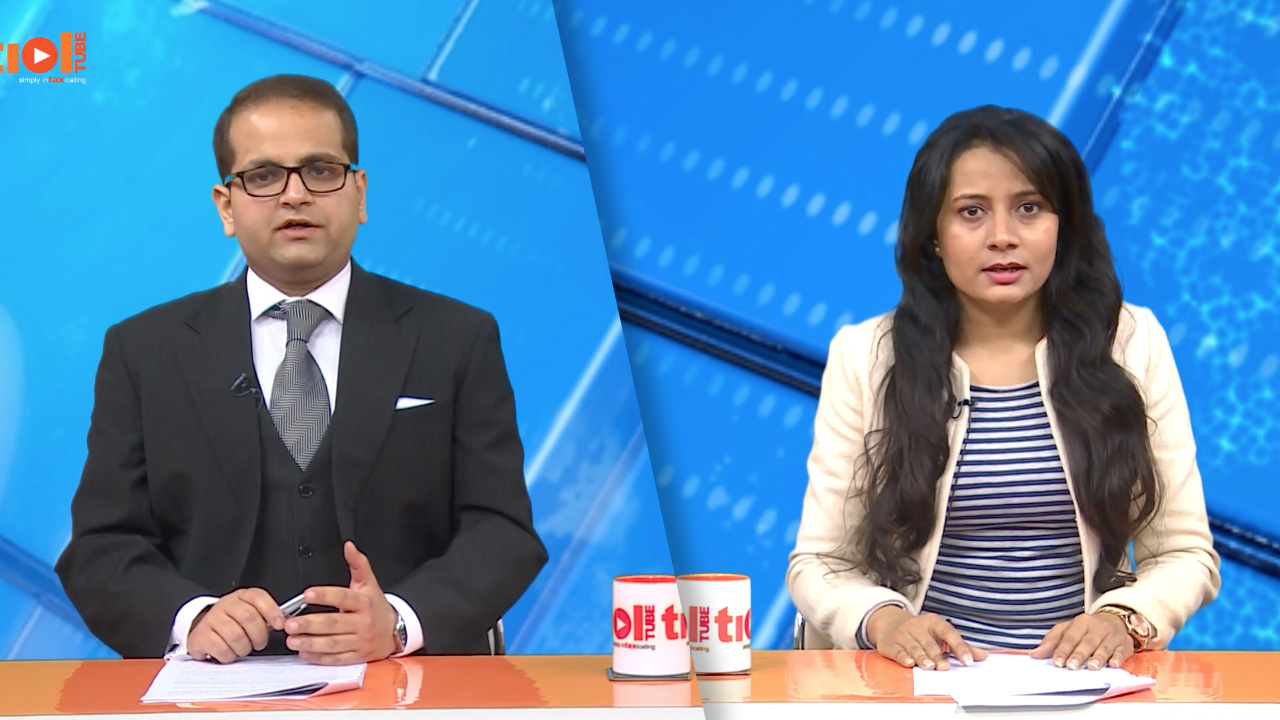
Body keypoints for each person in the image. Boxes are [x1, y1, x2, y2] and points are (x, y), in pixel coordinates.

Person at [55, 74, 547, 664]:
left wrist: (398, 622)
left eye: (320, 170)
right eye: (263, 176)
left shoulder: (457, 337)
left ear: (359, 194)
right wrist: (193, 619)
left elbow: (502, 530)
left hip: (408, 679)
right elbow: (101, 546)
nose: (295, 196)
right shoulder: (143, 351)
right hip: (217, 687)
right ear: (226, 206)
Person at [787, 105, 1220, 672]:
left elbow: (1186, 553)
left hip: (1079, 685)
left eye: (1029, 208)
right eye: (971, 212)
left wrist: (1122, 619)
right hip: (915, 683)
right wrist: (885, 621)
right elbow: (820, 562)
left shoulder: (1131, 342)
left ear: (1064, 225)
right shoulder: (866, 355)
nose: (1002, 237)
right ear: (933, 235)